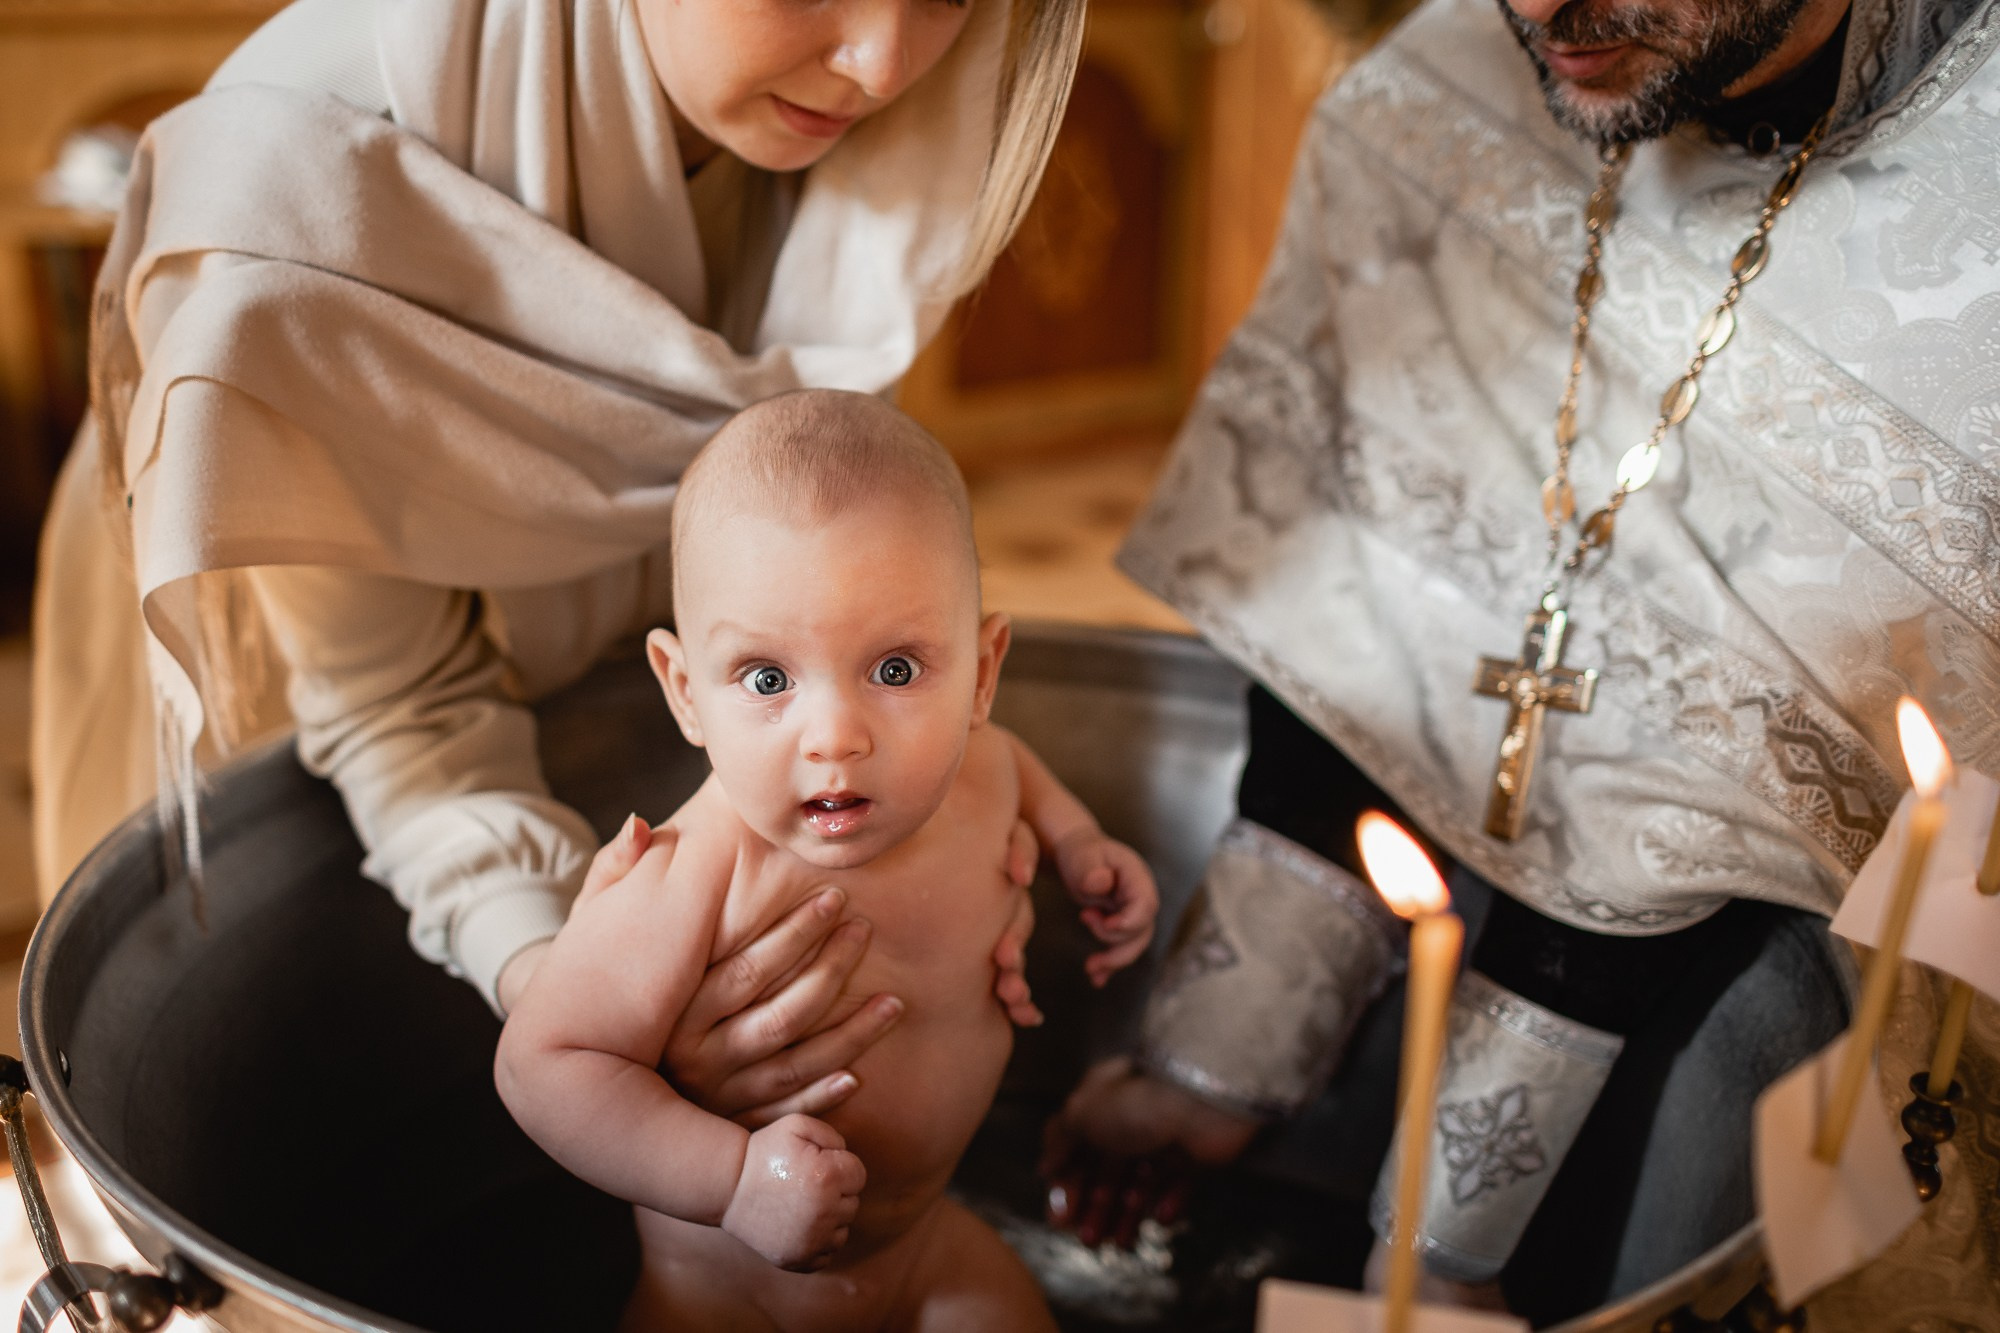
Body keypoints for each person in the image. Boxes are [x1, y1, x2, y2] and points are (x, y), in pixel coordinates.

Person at [1044, 0, 2000, 1323]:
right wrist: (1224, 1052)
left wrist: (1441, 1236)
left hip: (1786, 1014)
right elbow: (1364, 584)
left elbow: (1757, 763)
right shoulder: (1447, 75)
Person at [30, 0, 1087, 1063]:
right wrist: (571, 996)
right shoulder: (298, 216)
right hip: (285, 645)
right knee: (269, 1048)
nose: (879, 66)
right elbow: (402, 706)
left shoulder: (912, 107)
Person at [495, 389, 1158, 1331]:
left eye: (895, 669)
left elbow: (1023, 771)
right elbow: (545, 1063)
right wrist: (732, 1182)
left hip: (921, 1251)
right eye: (767, 678)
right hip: (723, 1294)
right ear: (685, 692)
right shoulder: (695, 869)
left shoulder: (984, 774)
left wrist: (1081, 845)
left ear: (984, 669)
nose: (835, 737)